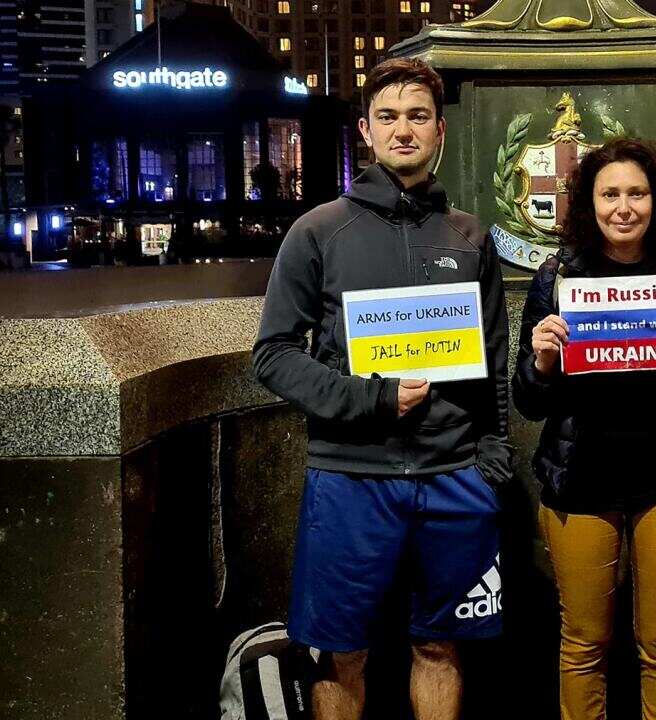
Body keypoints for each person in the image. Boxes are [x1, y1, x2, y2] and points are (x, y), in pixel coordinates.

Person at [252, 57, 510, 720]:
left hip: (454, 473)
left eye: (418, 116)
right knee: (342, 653)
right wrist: (371, 399)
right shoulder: (316, 231)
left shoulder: (471, 236)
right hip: (350, 476)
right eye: (389, 117)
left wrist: (492, 457)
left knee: (440, 648)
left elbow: (494, 363)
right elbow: (274, 355)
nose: (404, 130)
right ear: (364, 131)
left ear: (440, 130)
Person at [512, 137, 656, 720]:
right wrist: (540, 361)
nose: (624, 207)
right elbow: (528, 402)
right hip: (580, 484)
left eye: (638, 193)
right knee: (583, 643)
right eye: (610, 194)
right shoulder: (557, 279)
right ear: (589, 203)